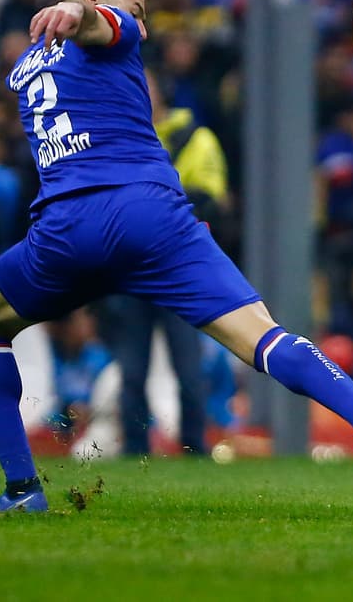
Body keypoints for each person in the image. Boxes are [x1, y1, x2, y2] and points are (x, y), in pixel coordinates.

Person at [0, 0, 353, 513]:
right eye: (139, 13)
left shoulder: (26, 66)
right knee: (260, 336)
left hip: (65, 229)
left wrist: (87, 11)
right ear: (101, 0)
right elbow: (100, 22)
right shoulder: (108, 27)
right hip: (150, 216)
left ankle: (22, 490)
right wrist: (85, 13)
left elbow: (90, 22)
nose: (142, 28)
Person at [96, 69, 227, 456]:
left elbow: (211, 197)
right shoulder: (121, 137)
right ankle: (136, 449)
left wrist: (148, 206)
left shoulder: (197, 139)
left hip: (178, 270)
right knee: (131, 371)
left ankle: (193, 448)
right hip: (133, 271)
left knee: (188, 370)